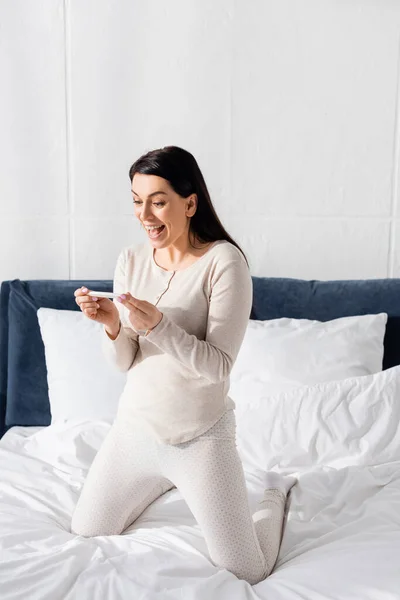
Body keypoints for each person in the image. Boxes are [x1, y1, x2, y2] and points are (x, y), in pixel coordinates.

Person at [70, 145, 296, 584]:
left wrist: (158, 325)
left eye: (158, 201)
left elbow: (218, 366)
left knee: (248, 569)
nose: (145, 214)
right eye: (137, 201)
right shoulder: (131, 261)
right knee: (86, 529)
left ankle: (274, 494)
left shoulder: (224, 263)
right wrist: (113, 325)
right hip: (134, 431)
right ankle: (164, 479)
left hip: (200, 440)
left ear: (190, 203)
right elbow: (124, 363)